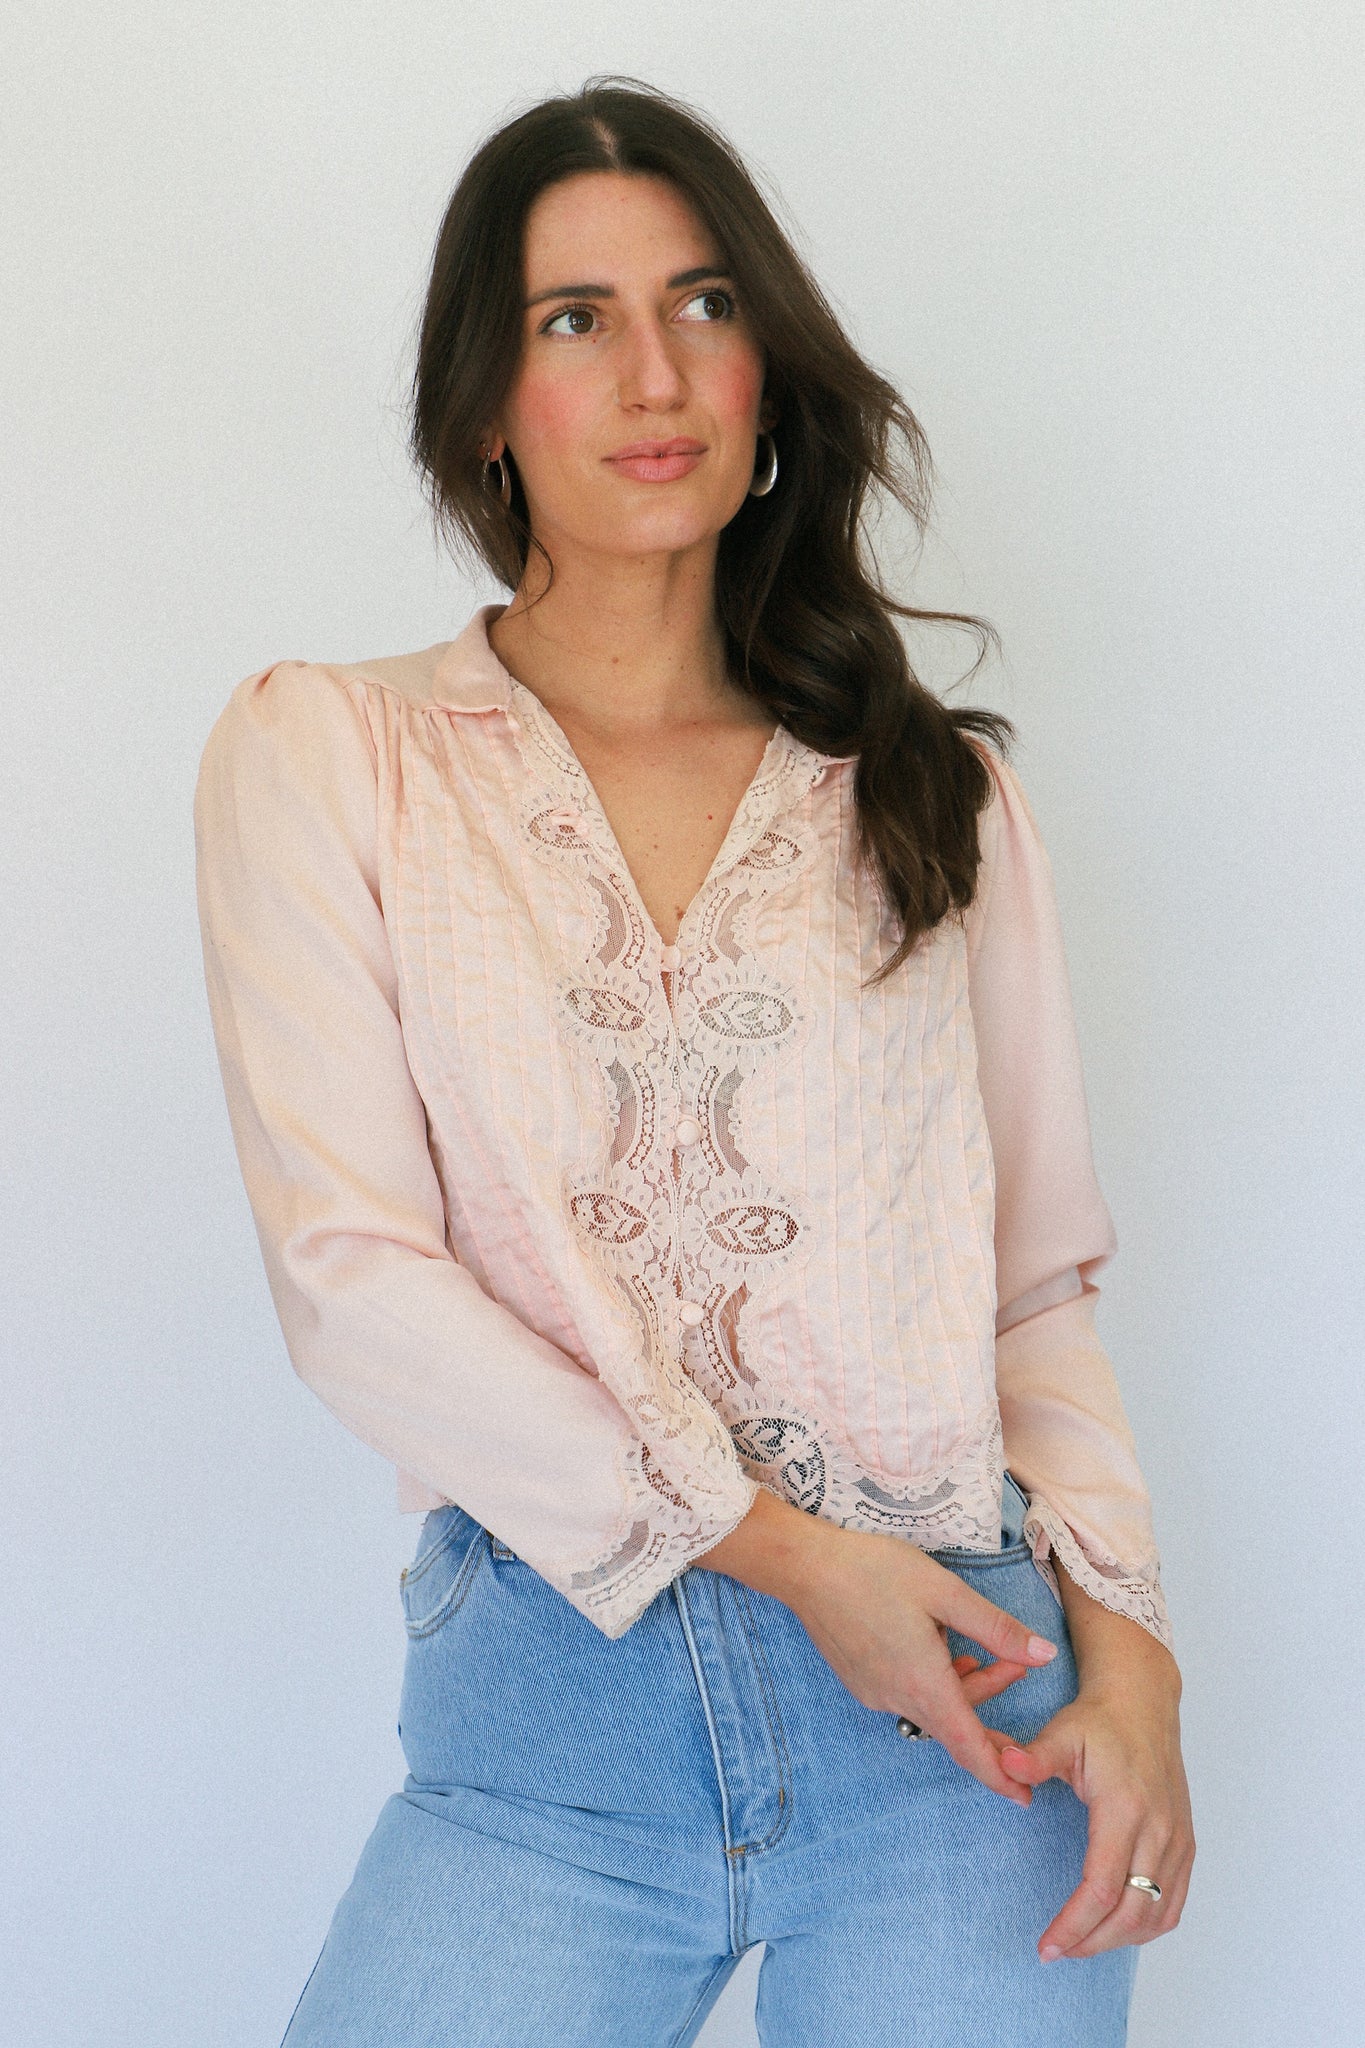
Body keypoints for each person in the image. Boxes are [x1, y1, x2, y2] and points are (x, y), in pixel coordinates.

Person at [193, 76, 1193, 2048]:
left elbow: (1030, 1293)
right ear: (485, 402)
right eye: (573, 318)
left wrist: (1137, 1659)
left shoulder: (932, 796)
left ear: (765, 372)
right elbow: (352, 1277)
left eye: (703, 304)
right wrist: (785, 1557)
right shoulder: (330, 756)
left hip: (963, 1727)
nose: (653, 373)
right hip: (548, 1738)